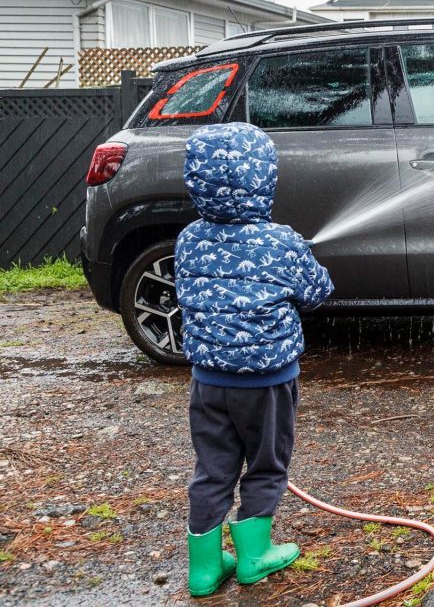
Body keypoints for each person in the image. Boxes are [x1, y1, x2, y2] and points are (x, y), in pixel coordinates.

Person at [174, 122, 334, 596]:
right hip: (267, 384)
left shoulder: (188, 239)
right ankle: (254, 555)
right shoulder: (282, 241)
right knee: (265, 465)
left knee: (214, 469)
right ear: (264, 179)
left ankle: (203, 570)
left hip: (209, 383)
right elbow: (317, 292)